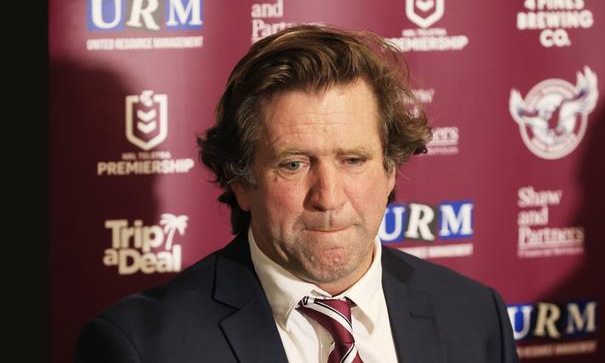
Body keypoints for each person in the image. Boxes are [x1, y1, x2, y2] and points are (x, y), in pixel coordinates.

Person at [76, 25, 519, 363]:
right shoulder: (141, 346)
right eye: (294, 164)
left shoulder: (475, 316)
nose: (328, 197)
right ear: (241, 182)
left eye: (353, 160)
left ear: (391, 171)